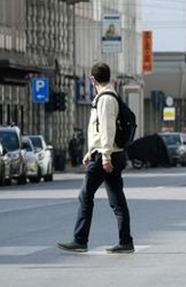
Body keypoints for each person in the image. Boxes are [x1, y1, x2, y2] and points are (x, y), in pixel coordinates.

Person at [57, 62, 135, 254]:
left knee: (85, 195)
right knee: (117, 200)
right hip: (105, 153)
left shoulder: (106, 98)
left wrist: (105, 156)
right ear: (110, 77)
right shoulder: (108, 96)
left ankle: (80, 239)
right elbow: (99, 130)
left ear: (92, 80)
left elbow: (108, 129)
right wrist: (90, 151)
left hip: (106, 155)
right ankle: (125, 241)